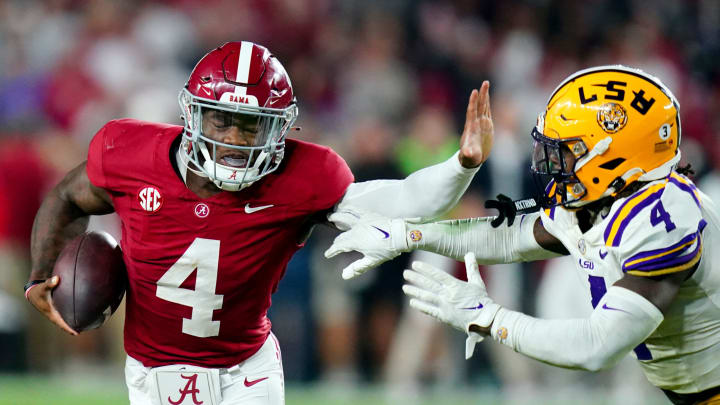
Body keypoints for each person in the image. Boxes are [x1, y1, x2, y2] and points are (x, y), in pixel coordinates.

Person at [25, 41, 494, 405]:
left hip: (247, 371)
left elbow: (405, 199)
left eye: (251, 125)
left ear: (279, 128)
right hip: (154, 372)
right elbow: (68, 195)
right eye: (222, 121)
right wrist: (41, 274)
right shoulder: (128, 153)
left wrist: (462, 164)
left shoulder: (304, 176)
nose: (233, 139)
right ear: (193, 116)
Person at [325, 65, 720, 405]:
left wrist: (490, 319)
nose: (551, 162)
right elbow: (510, 238)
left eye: (566, 151)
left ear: (613, 153)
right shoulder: (613, 197)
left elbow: (597, 346)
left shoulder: (665, 222)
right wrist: (408, 235)